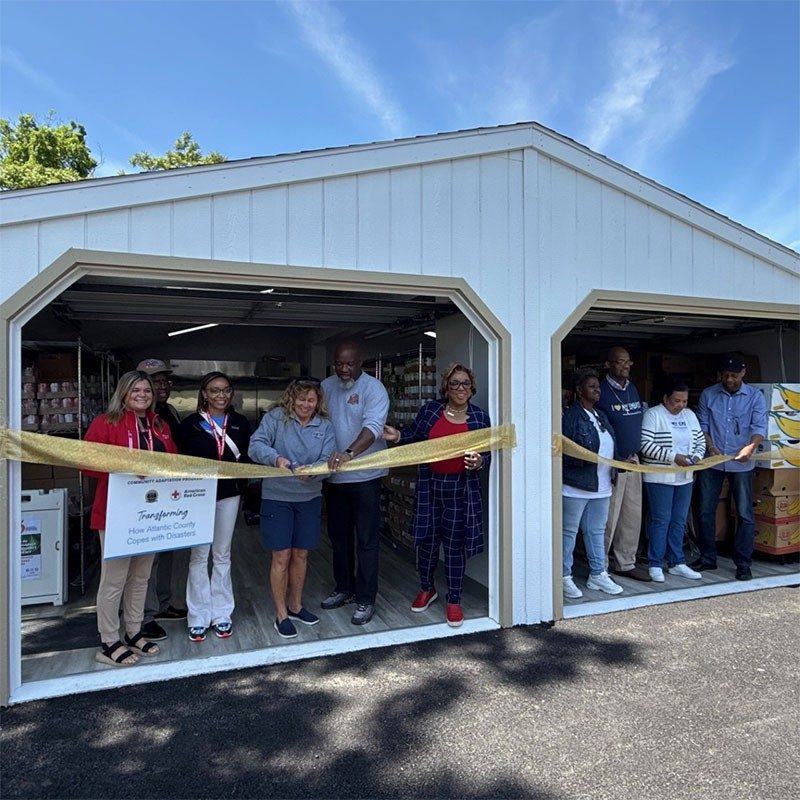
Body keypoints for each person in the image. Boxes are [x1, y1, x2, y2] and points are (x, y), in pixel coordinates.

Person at [382, 363, 490, 627]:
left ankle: (454, 600)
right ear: (446, 387)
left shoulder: (479, 418)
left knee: (454, 546)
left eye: (465, 383)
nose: (460, 388)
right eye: (454, 383)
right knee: (428, 543)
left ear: (472, 388)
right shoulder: (431, 411)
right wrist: (397, 435)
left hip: (460, 491)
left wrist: (480, 462)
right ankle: (427, 589)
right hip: (430, 485)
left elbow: (487, 452)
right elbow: (413, 436)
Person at [83, 370, 178, 666]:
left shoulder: (159, 424)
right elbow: (87, 462)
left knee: (140, 578)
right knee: (114, 580)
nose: (142, 395)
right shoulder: (105, 423)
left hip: (149, 514)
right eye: (136, 390)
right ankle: (109, 641)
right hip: (116, 514)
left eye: (147, 391)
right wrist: (126, 467)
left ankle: (134, 632)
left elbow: (173, 459)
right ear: (123, 393)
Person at [248, 379, 335, 638]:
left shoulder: (325, 426)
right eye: (301, 399)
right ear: (290, 399)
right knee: (281, 557)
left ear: (317, 402)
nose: (305, 405)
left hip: (309, 498)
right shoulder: (276, 418)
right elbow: (256, 445)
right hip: (277, 497)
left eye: (311, 400)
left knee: (301, 555)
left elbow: (328, 459)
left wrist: (314, 473)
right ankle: (281, 613)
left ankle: (296, 605)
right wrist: (276, 459)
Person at [321, 341, 390, 626]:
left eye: (350, 364)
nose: (344, 369)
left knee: (366, 541)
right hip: (334, 478)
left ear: (361, 362)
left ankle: (365, 598)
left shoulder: (374, 389)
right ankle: (344, 588)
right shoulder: (326, 386)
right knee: (338, 538)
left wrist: (348, 454)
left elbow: (373, 428)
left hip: (366, 478)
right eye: (339, 363)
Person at [179, 372, 251, 642]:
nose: (221, 395)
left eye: (225, 390)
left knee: (222, 555)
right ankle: (197, 615)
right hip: (198, 496)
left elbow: (249, 456)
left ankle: (222, 614)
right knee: (198, 556)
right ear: (204, 394)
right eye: (214, 390)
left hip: (229, 495)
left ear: (231, 394)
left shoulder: (241, 423)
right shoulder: (190, 425)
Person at [694, 354, 767, 580]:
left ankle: (743, 563)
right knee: (705, 510)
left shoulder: (755, 397)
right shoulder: (709, 394)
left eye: (734, 375)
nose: (729, 379)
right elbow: (702, 425)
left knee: (745, 513)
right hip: (713, 461)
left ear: (743, 373)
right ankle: (708, 557)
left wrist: (751, 447)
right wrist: (710, 447)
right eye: (725, 375)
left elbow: (759, 427)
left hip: (742, 463)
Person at [136, 357, 187, 640]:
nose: (162, 385)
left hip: (169, 494)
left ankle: (163, 604)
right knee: (146, 559)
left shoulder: (167, 412)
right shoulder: (134, 416)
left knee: (167, 552)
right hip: (142, 498)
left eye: (165, 380)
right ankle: (144, 615)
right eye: (155, 381)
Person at [561, 368, 623, 598]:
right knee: (568, 532)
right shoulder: (572, 417)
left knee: (596, 530)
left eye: (598, 386)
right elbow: (566, 453)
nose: (597, 389)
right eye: (591, 386)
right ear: (579, 391)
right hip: (576, 486)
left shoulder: (600, 415)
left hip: (602, 485)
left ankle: (598, 573)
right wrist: (586, 459)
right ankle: (563, 576)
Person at [640, 382, 706, 582]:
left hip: (685, 477)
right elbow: (645, 445)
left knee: (679, 520)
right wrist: (672, 457)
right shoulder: (653, 414)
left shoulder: (690, 415)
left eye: (685, 401)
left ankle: (677, 562)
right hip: (659, 476)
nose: (681, 405)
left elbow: (700, 441)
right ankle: (656, 563)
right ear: (665, 398)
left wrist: (696, 456)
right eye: (676, 401)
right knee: (661, 520)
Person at [595, 346, 650, 582]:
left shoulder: (633, 388)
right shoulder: (601, 390)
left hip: (633, 460)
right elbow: (599, 428)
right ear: (608, 364)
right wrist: (614, 458)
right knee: (609, 517)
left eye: (629, 362)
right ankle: (600, 566)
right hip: (611, 463)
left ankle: (625, 563)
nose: (626, 366)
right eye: (620, 362)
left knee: (631, 515)